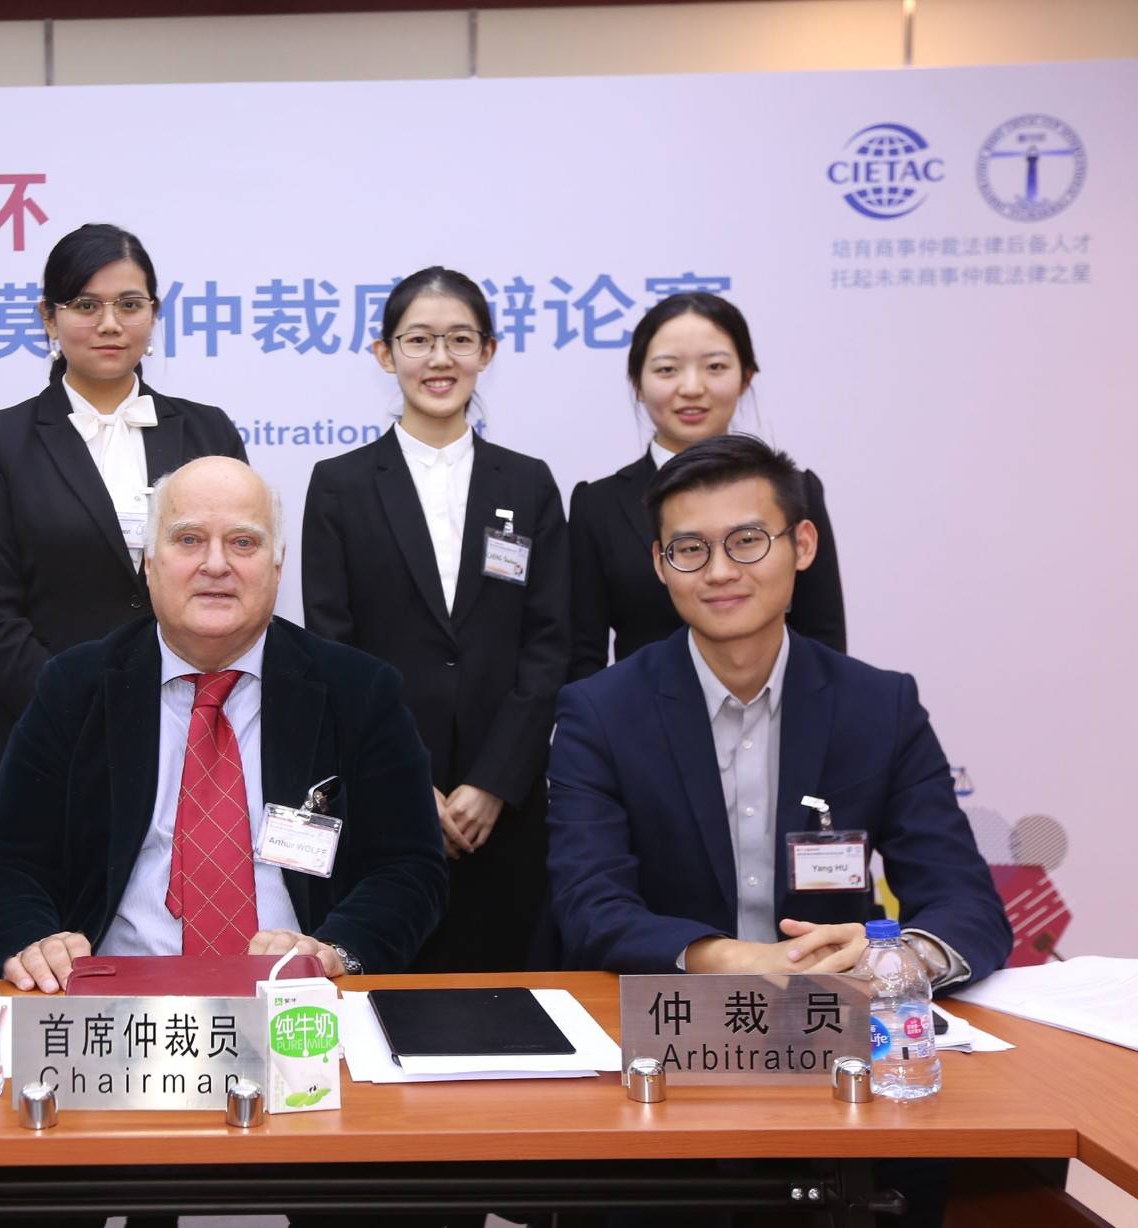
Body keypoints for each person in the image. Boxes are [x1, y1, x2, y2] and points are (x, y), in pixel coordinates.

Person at [0, 456, 448, 1228]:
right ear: (149, 562)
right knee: (13, 1219)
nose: (217, 564)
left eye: (243, 542)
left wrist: (333, 949)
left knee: (384, 1226)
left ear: (278, 565)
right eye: (189, 539)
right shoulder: (75, 686)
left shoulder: (358, 690)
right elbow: (6, 862)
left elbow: (410, 868)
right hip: (113, 1023)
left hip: (300, 1013)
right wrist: (33, 940)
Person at [547, 434, 1009, 983]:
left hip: (840, 1012)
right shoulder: (601, 713)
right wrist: (740, 960)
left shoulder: (880, 707)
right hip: (668, 1018)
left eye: (747, 541)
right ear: (661, 564)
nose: (720, 571)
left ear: (803, 545)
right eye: (690, 549)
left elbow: (964, 900)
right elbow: (590, 908)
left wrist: (896, 960)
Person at [0, 223, 247, 913]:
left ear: (154, 314)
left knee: (179, 949)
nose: (110, 324)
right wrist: (80, 707)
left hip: (190, 740)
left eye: (129, 304)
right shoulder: (5, 439)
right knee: (36, 954)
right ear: (49, 318)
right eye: (86, 305)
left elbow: (236, 578)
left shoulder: (207, 431)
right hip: (42, 742)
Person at [302, 266, 568, 974]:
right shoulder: (339, 485)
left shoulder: (529, 483)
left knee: (509, 995)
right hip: (386, 801)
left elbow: (549, 643)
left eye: (459, 339)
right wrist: (405, 781)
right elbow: (333, 647)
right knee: (384, 992)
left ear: (488, 350)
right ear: (384, 354)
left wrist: (495, 782)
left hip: (505, 809)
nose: (439, 359)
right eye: (418, 340)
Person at [567, 292, 847, 681]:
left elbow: (824, 638)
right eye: (667, 369)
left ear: (746, 377)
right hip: (640, 714)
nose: (692, 387)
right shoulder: (598, 505)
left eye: (715, 366)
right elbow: (582, 654)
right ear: (637, 383)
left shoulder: (796, 491)